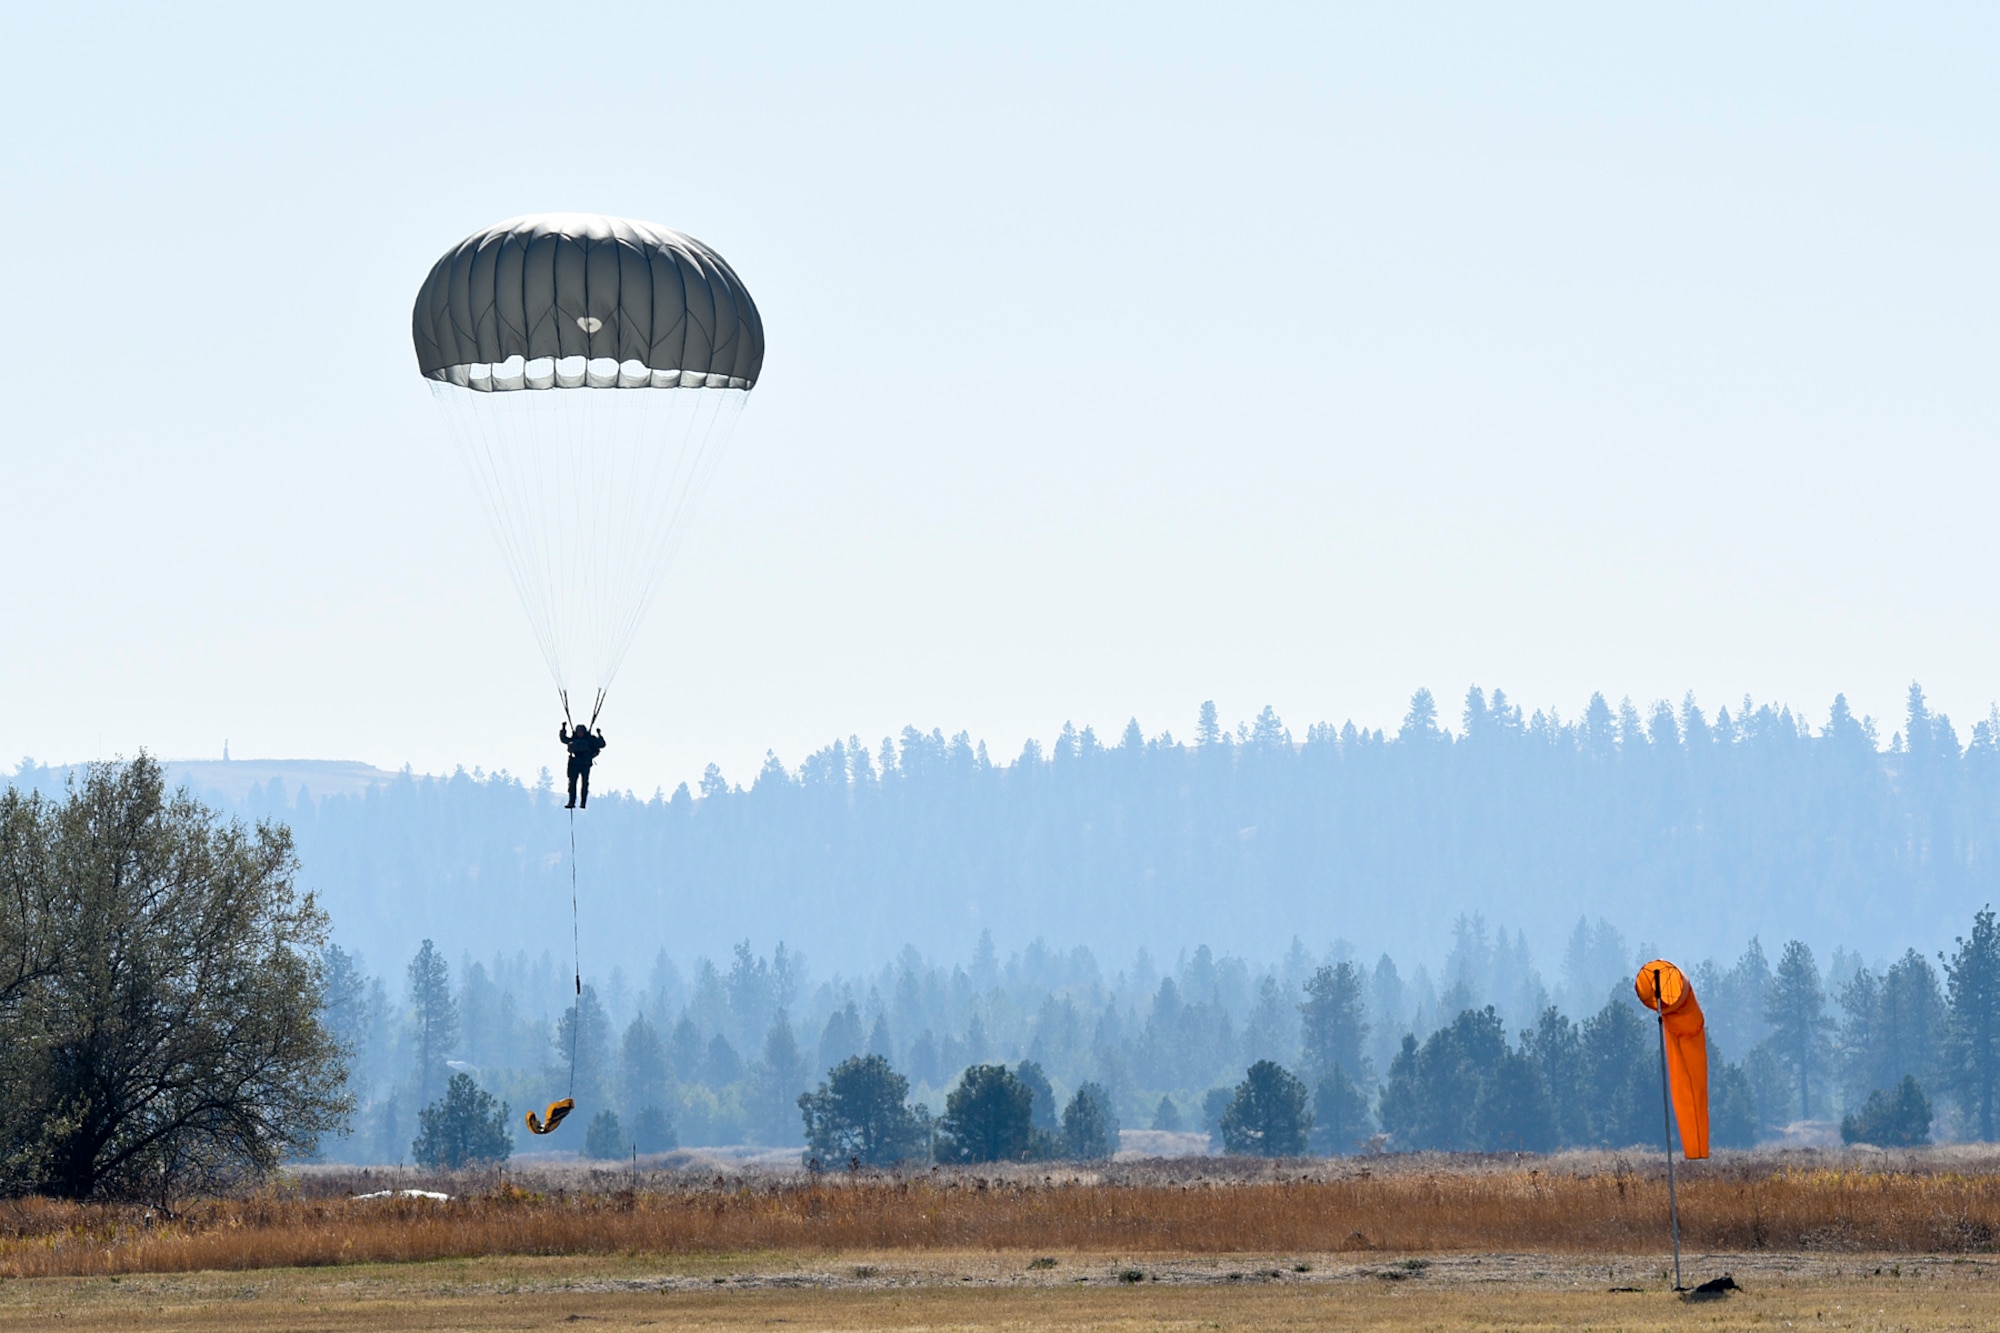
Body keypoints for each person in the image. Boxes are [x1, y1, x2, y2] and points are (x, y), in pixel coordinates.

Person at [560, 721, 608, 809]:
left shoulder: (590, 740)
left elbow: (602, 745)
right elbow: (563, 739)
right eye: (578, 732)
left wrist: (599, 735)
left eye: (581, 732)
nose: (579, 734)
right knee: (572, 784)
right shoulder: (573, 739)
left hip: (585, 764)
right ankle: (571, 801)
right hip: (574, 763)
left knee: (584, 783)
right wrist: (563, 728)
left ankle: (583, 802)